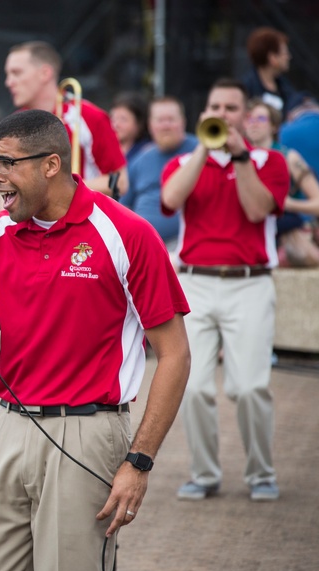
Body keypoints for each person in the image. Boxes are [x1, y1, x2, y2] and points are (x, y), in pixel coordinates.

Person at [0, 108, 190, 571]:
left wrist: (139, 462)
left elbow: (174, 355)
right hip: (9, 429)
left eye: (7, 163)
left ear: (52, 164)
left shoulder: (125, 233)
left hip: (90, 433)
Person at [161, 79, 290, 502]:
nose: (222, 113)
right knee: (194, 386)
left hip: (249, 284)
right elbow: (171, 198)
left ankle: (261, 473)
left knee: (250, 387)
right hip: (194, 282)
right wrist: (204, 147)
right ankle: (204, 473)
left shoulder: (269, 161)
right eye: (214, 106)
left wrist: (238, 157)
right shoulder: (184, 162)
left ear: (245, 114)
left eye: (231, 107)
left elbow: (257, 209)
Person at [4, 40, 128, 196]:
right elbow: (8, 187)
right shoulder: (13, 125)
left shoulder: (88, 116)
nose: (8, 82)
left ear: (45, 73)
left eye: (16, 73)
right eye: (8, 74)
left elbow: (120, 181)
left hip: (84, 216)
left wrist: (64, 189)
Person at [245, 98, 319, 267]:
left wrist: (289, 204)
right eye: (249, 118)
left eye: (261, 119)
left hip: (285, 237)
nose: (254, 124)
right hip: (250, 237)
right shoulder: (240, 158)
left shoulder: (289, 157)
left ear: (274, 126)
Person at [120, 96, 198, 249]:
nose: (165, 125)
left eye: (171, 119)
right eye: (160, 120)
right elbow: (124, 207)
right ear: (150, 125)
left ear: (183, 122)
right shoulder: (139, 160)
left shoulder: (200, 151)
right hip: (142, 244)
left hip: (183, 245)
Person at [242, 27, 297, 120]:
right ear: (272, 58)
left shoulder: (284, 86)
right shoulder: (246, 89)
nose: (289, 57)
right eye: (285, 53)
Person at [110, 91, 151, 163]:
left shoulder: (147, 152)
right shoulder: (105, 149)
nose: (116, 124)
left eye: (123, 119)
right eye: (113, 118)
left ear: (140, 123)